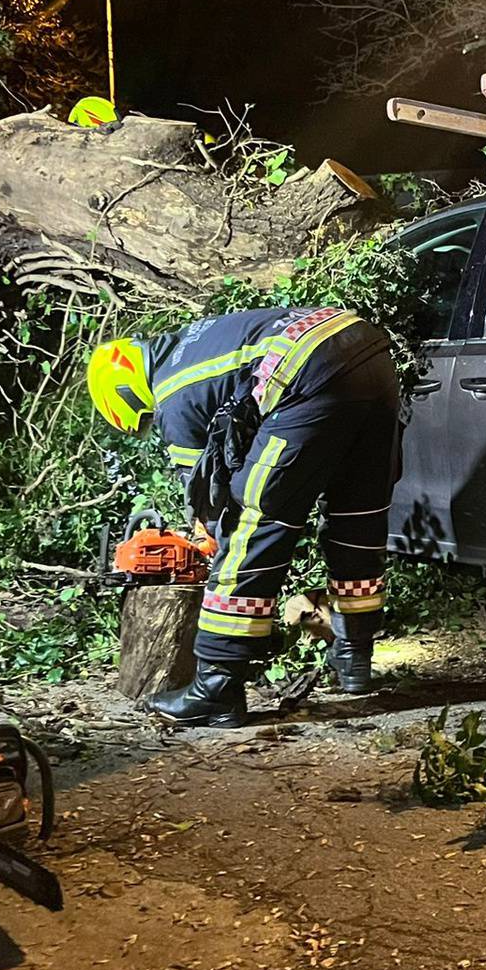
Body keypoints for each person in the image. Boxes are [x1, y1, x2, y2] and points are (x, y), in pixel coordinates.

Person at [85, 306, 401, 726]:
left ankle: (216, 687)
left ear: (126, 392)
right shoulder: (193, 344)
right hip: (367, 350)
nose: (152, 421)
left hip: (307, 367)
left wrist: (215, 546)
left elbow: (208, 495)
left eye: (145, 419)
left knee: (252, 523)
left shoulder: (173, 394)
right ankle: (354, 658)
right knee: (358, 512)